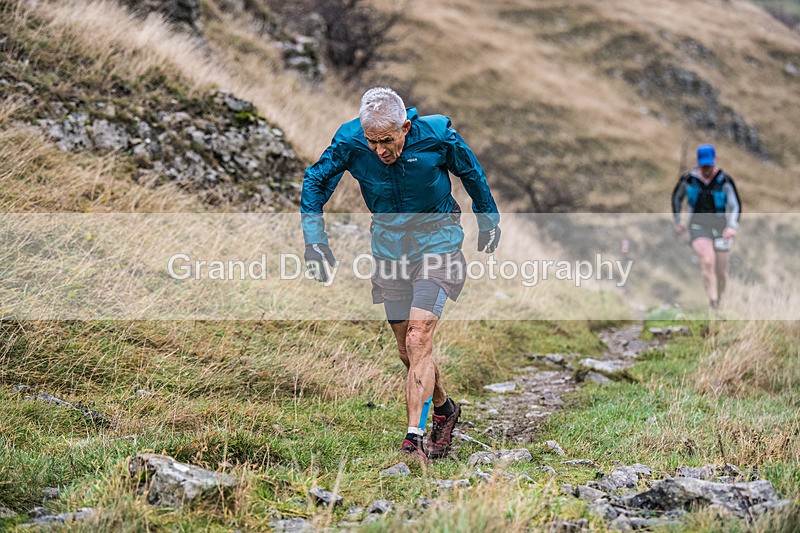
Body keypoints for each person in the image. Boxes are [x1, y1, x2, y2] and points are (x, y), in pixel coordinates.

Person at [300, 87, 501, 462]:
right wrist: (315, 241)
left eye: (387, 141)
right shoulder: (349, 140)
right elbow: (315, 182)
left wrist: (488, 219)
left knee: (418, 333)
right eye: (372, 142)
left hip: (438, 240)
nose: (379, 151)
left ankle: (414, 439)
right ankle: (444, 408)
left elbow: (471, 172)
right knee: (406, 350)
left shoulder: (437, 135)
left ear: (406, 127)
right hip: (390, 247)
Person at [671, 144, 741, 308]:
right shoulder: (689, 180)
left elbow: (735, 205)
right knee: (707, 260)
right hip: (697, 225)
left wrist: (732, 226)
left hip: (721, 228)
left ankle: (720, 300)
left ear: (715, 161)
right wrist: (678, 221)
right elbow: (676, 199)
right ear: (698, 162)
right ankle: (713, 301)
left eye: (709, 165)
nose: (706, 169)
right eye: (703, 165)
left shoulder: (724, 180)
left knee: (721, 273)